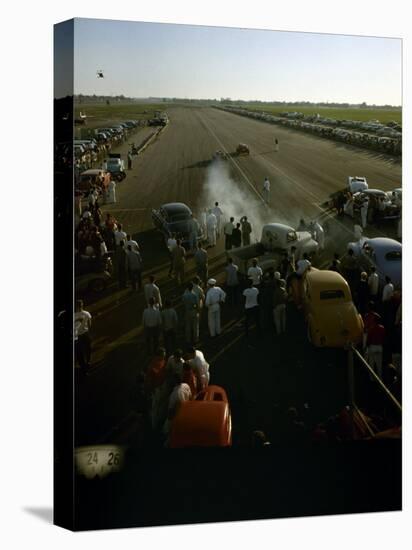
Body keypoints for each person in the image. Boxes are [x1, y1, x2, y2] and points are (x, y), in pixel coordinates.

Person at [366, 313, 385, 380]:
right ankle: (380, 379)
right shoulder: (382, 328)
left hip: (372, 347)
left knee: (371, 365)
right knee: (379, 365)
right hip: (379, 347)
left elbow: (369, 339)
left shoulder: (371, 328)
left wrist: (367, 346)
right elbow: (383, 338)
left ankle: (371, 379)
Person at [75, 300, 92, 370]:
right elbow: (90, 324)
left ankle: (83, 364)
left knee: (79, 351)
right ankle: (87, 362)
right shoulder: (86, 313)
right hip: (85, 333)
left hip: (78, 335)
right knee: (88, 348)